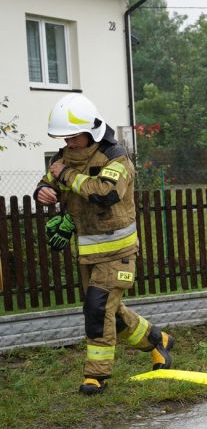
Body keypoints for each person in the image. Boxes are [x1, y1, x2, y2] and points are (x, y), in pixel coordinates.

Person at [34, 95, 173, 394]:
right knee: (109, 310)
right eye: (64, 138)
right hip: (87, 254)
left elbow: (104, 193)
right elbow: (49, 182)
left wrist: (65, 176)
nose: (68, 143)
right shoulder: (63, 159)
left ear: (91, 130)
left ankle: (96, 376)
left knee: (97, 310)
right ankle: (157, 340)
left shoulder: (116, 158)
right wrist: (43, 191)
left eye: (73, 136)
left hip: (119, 253)